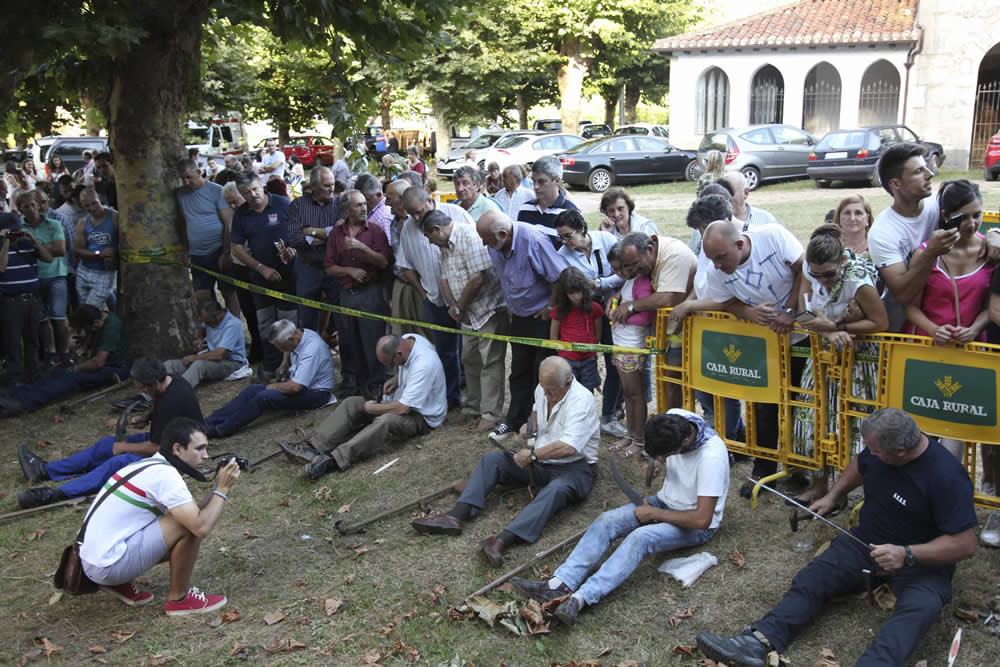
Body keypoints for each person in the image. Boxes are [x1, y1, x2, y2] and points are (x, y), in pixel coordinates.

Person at [696, 408, 978, 667]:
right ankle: (756, 642)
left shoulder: (946, 477)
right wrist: (833, 495)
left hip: (921, 562)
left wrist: (908, 554)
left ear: (901, 452)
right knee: (814, 577)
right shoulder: (879, 450)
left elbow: (965, 544)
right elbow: (861, 463)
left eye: (876, 450)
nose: (870, 453)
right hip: (864, 542)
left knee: (919, 610)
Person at [512, 408, 730, 625]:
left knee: (640, 538)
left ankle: (580, 599)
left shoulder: (712, 456)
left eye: (665, 455)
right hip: (665, 501)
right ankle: (558, 585)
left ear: (682, 444)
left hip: (694, 524)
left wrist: (655, 513)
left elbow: (703, 519)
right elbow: (663, 457)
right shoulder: (674, 417)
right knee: (608, 520)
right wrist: (657, 464)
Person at [412, 357, 599, 567]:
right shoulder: (546, 386)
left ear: (568, 382)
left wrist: (533, 455)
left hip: (575, 468)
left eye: (551, 391)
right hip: (543, 460)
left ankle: (502, 540)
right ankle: (455, 516)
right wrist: (531, 427)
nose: (546, 394)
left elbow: (569, 447)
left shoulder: (582, 400)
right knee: (493, 460)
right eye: (544, 388)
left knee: (556, 490)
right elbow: (537, 409)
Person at [669, 220, 806, 498]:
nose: (717, 266)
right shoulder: (718, 269)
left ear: (740, 244)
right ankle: (764, 469)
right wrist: (746, 311)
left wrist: (790, 310)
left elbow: (803, 268)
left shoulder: (773, 236)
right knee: (762, 405)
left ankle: (801, 468)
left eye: (721, 257)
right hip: (763, 341)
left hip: (801, 336)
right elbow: (723, 300)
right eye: (712, 260)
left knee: (802, 405)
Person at [78, 417, 240, 616]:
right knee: (187, 526)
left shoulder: (145, 466)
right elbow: (199, 526)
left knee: (184, 520)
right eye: (199, 449)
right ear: (178, 449)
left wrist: (216, 489)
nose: (206, 456)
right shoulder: (166, 476)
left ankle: (118, 583)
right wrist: (223, 489)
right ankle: (179, 599)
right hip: (107, 565)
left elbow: (192, 514)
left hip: (92, 559)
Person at [16, 358, 204, 508]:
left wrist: (124, 447)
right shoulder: (169, 381)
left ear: (153, 383)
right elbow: (160, 408)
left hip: (179, 454)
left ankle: (56, 494)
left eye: (142, 388)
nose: (140, 391)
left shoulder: (173, 401)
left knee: (118, 462)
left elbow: (156, 447)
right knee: (106, 445)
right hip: (167, 438)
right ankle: (44, 470)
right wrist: (147, 416)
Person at [791, 224, 888, 504]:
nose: (823, 281)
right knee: (814, 418)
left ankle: (846, 492)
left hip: (859, 359)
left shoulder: (859, 280)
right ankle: (819, 485)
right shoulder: (812, 271)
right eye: (816, 274)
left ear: (843, 261)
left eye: (829, 274)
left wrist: (838, 325)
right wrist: (828, 331)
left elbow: (880, 322)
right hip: (823, 352)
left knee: (856, 425)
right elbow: (804, 313)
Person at [903, 180, 993, 461]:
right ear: (946, 215)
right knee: (922, 431)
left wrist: (974, 328)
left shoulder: (991, 253)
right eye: (962, 216)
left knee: (955, 438)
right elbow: (910, 306)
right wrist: (934, 330)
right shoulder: (928, 253)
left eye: (977, 215)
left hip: (970, 352)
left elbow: (992, 306)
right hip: (926, 351)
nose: (971, 223)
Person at [869, 143, 1000, 332]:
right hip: (903, 326)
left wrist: (995, 233)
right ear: (895, 184)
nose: (930, 173)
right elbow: (903, 295)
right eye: (919, 171)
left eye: (927, 167)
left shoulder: (936, 203)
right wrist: (930, 253)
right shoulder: (882, 233)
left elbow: (971, 212)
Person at [281, 334, 446, 479]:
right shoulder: (409, 339)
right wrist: (397, 378)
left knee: (385, 420)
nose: (390, 368)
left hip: (422, 418)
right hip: (404, 403)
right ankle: (313, 447)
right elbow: (405, 370)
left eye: (391, 364)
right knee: (352, 403)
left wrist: (372, 409)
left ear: (399, 354)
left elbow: (403, 409)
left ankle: (335, 460)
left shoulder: (423, 365)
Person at [477, 210, 568, 443]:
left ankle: (538, 425)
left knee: (542, 373)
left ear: (504, 233)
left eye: (487, 239)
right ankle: (514, 420)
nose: (484, 244)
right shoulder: (495, 244)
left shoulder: (534, 240)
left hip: (541, 317)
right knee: (518, 371)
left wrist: (550, 307)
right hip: (517, 317)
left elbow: (558, 277)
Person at [422, 209, 509, 432]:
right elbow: (444, 278)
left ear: (437, 230)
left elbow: (478, 278)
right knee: (470, 358)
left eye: (428, 237)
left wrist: (460, 306)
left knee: (490, 361)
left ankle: (490, 414)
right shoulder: (445, 246)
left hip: (489, 309)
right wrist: (454, 307)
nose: (430, 243)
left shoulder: (469, 236)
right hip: (468, 314)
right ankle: (473, 407)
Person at [554, 208, 626, 437]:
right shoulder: (562, 254)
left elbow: (625, 271)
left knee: (616, 364)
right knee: (594, 365)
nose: (564, 242)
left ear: (582, 229)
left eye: (567, 236)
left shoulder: (606, 239)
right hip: (588, 311)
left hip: (618, 307)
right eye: (561, 237)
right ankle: (587, 416)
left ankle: (610, 414)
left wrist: (598, 283)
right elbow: (571, 286)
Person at [400, 187, 473, 408]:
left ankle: (474, 394)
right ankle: (451, 398)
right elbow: (406, 266)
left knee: (471, 350)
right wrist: (424, 295)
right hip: (435, 301)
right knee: (446, 352)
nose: (415, 218)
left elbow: (478, 247)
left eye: (419, 212)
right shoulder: (407, 228)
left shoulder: (456, 213)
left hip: (467, 299)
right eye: (410, 214)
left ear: (430, 201)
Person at [681, 194, 746, 442]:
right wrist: (690, 301)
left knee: (725, 389)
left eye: (703, 227)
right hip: (705, 327)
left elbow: (726, 298)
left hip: (726, 328)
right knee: (704, 387)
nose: (700, 233)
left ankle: (727, 440)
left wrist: (689, 306)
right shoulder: (707, 246)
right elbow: (701, 282)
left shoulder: (732, 247)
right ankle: (735, 432)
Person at [203, 320, 334, 438]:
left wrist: (274, 386)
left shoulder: (312, 348)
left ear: (291, 339)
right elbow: (288, 350)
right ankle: (209, 421)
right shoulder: (300, 334)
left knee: (264, 397)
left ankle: (221, 430)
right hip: (302, 386)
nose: (281, 350)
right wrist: (284, 362)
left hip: (316, 394)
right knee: (251, 390)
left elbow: (295, 387)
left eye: (281, 347)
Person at [0, 304, 131, 416]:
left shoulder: (111, 327)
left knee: (72, 378)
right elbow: (92, 335)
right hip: (105, 365)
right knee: (58, 373)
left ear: (97, 322)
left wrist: (75, 368)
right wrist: (82, 351)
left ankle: (24, 403)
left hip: (116, 369)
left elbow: (98, 362)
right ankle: (13, 395)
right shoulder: (99, 317)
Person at [230, 170, 295, 381]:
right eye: (247, 192)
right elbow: (236, 248)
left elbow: (300, 231)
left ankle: (292, 367)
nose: (253, 195)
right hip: (260, 278)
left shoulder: (283, 203)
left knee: (289, 323)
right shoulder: (241, 214)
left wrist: (294, 248)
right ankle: (270, 366)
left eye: (256, 189)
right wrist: (260, 268)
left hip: (288, 275)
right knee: (265, 323)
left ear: (262, 185)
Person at [325, 189, 390, 399]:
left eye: (364, 204)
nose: (364, 208)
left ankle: (376, 384)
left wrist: (363, 248)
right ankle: (357, 384)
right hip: (346, 293)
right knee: (350, 341)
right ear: (346, 209)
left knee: (373, 341)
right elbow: (329, 266)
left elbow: (383, 262)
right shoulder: (337, 234)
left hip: (370, 292)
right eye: (358, 205)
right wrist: (348, 270)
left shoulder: (375, 231)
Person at [175, 159, 239, 316]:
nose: (186, 181)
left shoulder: (216, 190)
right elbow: (183, 223)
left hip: (218, 249)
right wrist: (185, 250)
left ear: (199, 172)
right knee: (202, 296)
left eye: (189, 177)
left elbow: (228, 223)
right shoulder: (181, 194)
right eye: (182, 178)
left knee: (228, 291)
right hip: (197, 254)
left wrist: (226, 252)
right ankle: (214, 327)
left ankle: (235, 324)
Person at [287, 166, 344, 333]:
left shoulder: (340, 204)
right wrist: (328, 233)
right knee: (306, 319)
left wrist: (310, 232)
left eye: (332, 184)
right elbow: (294, 239)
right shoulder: (297, 206)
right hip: (308, 267)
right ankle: (310, 356)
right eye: (326, 185)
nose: (331, 189)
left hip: (335, 268)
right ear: (313, 187)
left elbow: (341, 236)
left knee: (342, 318)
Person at [18, 191, 70, 367]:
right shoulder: (19, 229)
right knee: (42, 320)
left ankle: (64, 354)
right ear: (20, 210)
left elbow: (61, 250)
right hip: (34, 278)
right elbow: (24, 254)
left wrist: (35, 245)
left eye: (33, 204)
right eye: (27, 206)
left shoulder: (54, 223)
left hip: (56, 275)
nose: (32, 209)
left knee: (59, 317)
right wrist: (47, 247)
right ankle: (49, 355)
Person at [0, 212, 51, 384]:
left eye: (16, 231)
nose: (15, 235)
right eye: (11, 232)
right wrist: (5, 242)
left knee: (32, 340)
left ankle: (34, 376)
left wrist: (34, 240)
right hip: (11, 301)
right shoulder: (1, 246)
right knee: (13, 342)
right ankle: (15, 379)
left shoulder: (27, 244)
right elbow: (1, 268)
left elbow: (48, 258)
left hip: (33, 300)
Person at [218, 179, 262, 364]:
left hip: (259, 268)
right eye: (229, 203)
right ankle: (257, 347)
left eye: (235, 200)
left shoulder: (257, 213)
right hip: (240, 268)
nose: (232, 205)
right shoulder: (234, 216)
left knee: (262, 312)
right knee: (248, 311)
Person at [164, 297, 247, 388]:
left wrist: (194, 358)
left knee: (199, 365)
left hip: (232, 363)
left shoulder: (233, 324)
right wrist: (200, 338)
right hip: (212, 359)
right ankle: (149, 394)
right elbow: (203, 327)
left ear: (218, 314)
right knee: (170, 365)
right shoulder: (210, 319)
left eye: (208, 322)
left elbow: (219, 355)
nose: (206, 324)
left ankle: (178, 391)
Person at [385, 180, 430, 340]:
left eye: (389, 198)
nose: (386, 203)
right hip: (402, 284)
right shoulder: (394, 224)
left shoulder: (422, 222)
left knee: (428, 332)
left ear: (401, 200)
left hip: (422, 287)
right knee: (401, 334)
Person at [550, 266, 602, 393]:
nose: (576, 296)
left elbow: (598, 334)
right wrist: (563, 351)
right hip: (567, 359)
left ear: (584, 289)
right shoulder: (559, 311)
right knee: (568, 392)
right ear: (564, 293)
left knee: (587, 392)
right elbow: (553, 337)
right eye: (571, 293)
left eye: (579, 291)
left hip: (589, 358)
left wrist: (591, 348)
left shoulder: (594, 308)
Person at [516, 156, 578, 248]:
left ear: (557, 181)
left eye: (541, 182)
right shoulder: (525, 209)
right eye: (533, 181)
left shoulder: (571, 213)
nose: (536, 186)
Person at [73, 187, 118, 309]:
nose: (92, 208)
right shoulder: (83, 222)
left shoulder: (114, 218)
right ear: (82, 206)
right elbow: (77, 250)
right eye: (87, 206)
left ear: (99, 198)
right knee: (85, 311)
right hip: (84, 270)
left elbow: (127, 243)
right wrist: (99, 254)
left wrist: (114, 253)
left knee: (90, 312)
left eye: (94, 203)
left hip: (105, 272)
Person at [354, 173, 393, 239]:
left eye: (366, 200)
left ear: (379, 195)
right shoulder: (373, 210)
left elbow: (389, 247)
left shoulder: (385, 218)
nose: (363, 206)